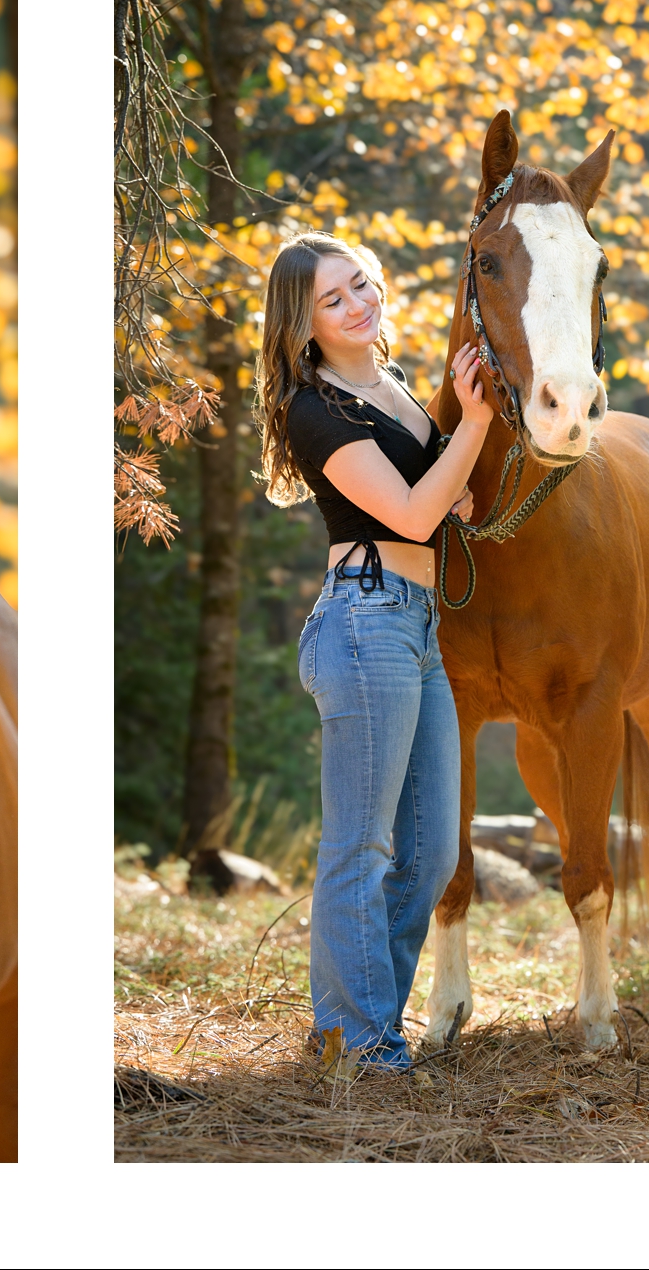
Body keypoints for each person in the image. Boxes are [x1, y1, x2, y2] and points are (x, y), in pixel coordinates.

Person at [253, 232, 493, 1069]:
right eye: (334, 299)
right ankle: (358, 1043)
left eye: (361, 285)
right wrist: (475, 425)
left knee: (431, 850)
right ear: (303, 324)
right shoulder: (315, 409)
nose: (359, 304)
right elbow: (412, 514)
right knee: (363, 845)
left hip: (418, 623)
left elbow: (433, 499)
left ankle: (366, 1028)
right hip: (364, 623)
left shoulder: (389, 388)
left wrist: (453, 474)